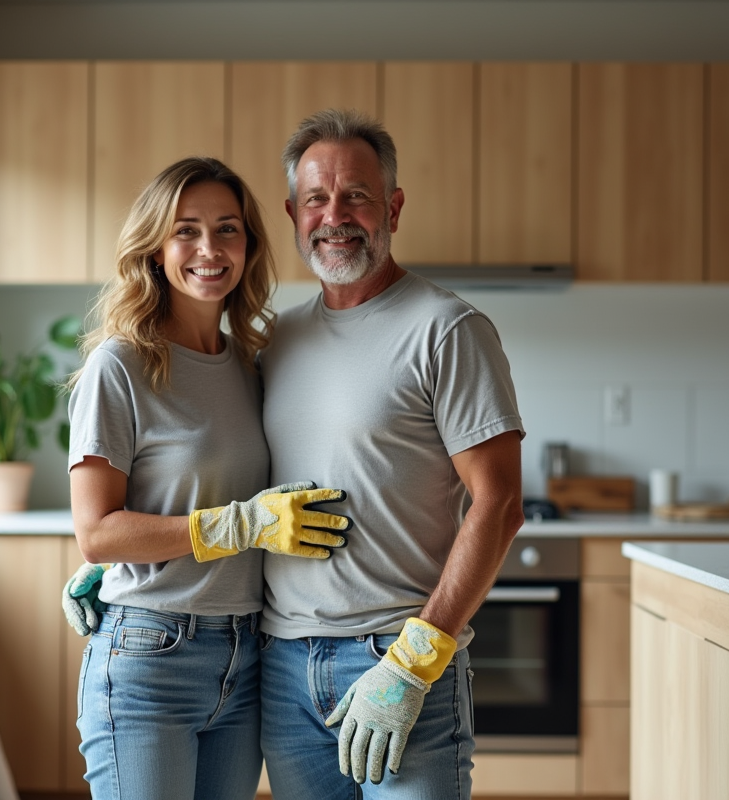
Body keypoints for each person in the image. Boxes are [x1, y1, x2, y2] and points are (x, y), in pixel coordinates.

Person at [64, 156, 352, 800]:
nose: (209, 249)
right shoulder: (123, 365)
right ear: (155, 247)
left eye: (228, 229)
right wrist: (241, 524)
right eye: (186, 230)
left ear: (249, 245)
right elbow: (97, 534)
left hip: (249, 658)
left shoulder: (253, 364)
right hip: (150, 656)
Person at [258, 109, 525, 799]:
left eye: (357, 196)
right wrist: (125, 565)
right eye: (317, 198)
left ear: (394, 209)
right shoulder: (274, 341)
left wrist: (415, 660)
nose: (335, 215)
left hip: (399, 659)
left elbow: (499, 504)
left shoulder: (448, 329)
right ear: (293, 212)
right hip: (283, 672)